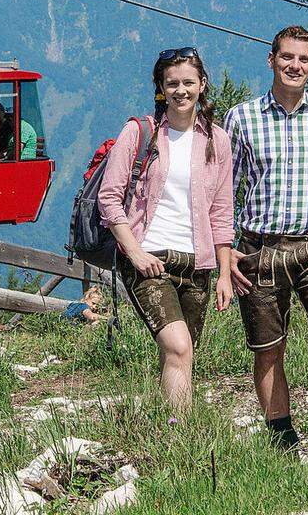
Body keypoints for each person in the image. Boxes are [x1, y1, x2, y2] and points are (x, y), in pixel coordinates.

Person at [221, 25, 308, 468]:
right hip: (258, 250)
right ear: (271, 60)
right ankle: (282, 442)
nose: (294, 66)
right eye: (287, 57)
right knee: (268, 350)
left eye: (303, 59)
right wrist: (226, 258)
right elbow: (223, 190)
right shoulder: (242, 117)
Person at [98, 46, 234, 410]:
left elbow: (221, 210)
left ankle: (169, 435)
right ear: (160, 87)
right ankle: (181, 438)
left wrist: (224, 273)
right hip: (149, 258)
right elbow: (109, 199)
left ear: (202, 85)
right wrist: (135, 252)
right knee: (178, 346)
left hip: (197, 264)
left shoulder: (217, 140)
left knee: (181, 355)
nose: (181, 90)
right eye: (171, 83)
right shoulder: (139, 132)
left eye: (188, 82)